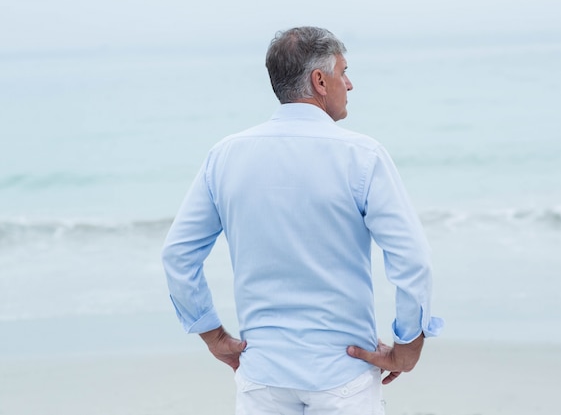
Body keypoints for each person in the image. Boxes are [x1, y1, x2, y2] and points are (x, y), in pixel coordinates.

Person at [162, 26, 443, 415]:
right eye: (343, 72)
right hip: (344, 375)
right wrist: (408, 346)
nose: (350, 83)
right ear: (320, 80)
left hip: (262, 376)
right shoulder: (362, 155)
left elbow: (178, 256)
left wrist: (211, 333)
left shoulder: (225, 155)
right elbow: (412, 260)